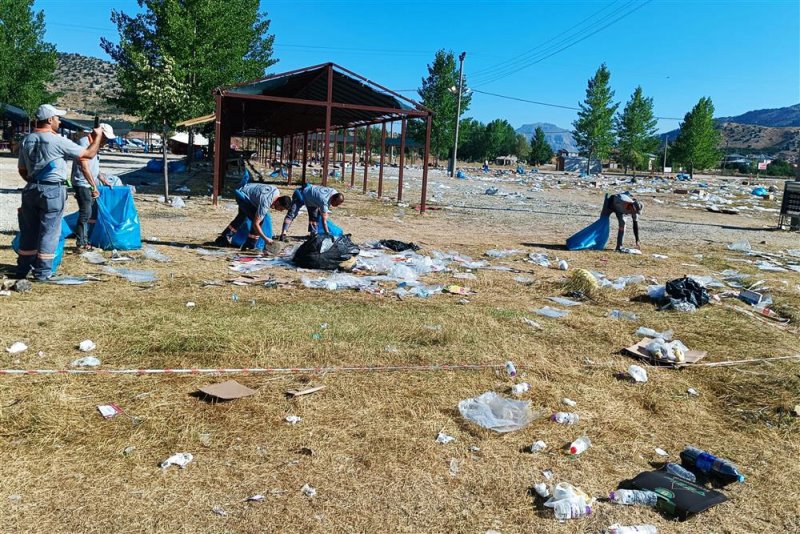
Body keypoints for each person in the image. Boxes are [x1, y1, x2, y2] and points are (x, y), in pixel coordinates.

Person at [16, 104, 104, 281]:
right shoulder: (57, 140)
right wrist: (98, 137)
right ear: (50, 119)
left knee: (29, 230)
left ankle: (23, 268)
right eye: (57, 118)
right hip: (53, 190)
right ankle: (43, 272)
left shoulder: (27, 139)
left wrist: (35, 182)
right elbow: (88, 154)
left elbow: (22, 169)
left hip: (30, 189)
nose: (60, 121)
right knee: (49, 231)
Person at [71, 123, 115, 250]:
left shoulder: (95, 144)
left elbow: (93, 168)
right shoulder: (84, 143)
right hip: (82, 183)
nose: (106, 141)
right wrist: (93, 186)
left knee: (89, 213)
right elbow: (85, 168)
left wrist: (102, 179)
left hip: (89, 183)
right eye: (105, 137)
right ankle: (81, 243)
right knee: (85, 213)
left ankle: (86, 239)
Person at [214, 182, 291, 250]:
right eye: (281, 208)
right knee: (259, 221)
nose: (280, 210)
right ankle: (250, 244)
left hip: (244, 190)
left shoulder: (276, 191)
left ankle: (223, 238)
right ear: (278, 202)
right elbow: (255, 224)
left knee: (242, 217)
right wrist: (265, 239)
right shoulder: (265, 203)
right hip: (243, 197)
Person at [279, 183, 344, 241]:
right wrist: (327, 233)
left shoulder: (334, 192)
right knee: (292, 214)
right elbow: (324, 221)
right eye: (337, 203)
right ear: (333, 199)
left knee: (314, 217)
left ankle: (313, 235)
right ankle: (283, 234)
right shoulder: (324, 201)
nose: (337, 205)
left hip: (312, 200)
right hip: (301, 195)